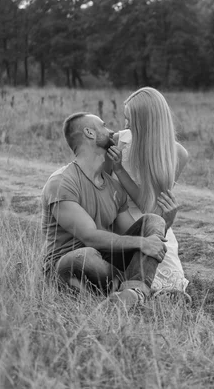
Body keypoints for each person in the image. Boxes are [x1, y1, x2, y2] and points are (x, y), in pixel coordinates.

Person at [41, 112, 177, 307]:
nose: (111, 131)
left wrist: (165, 221)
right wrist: (142, 242)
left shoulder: (114, 187)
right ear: (89, 132)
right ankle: (143, 291)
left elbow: (130, 234)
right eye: (103, 126)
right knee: (82, 256)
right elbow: (89, 237)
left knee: (152, 221)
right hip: (69, 265)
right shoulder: (62, 182)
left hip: (106, 264)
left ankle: (134, 293)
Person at [105, 87, 190, 300]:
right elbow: (101, 192)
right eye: (125, 119)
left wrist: (167, 222)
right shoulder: (118, 141)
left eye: (130, 120)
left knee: (170, 278)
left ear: (146, 121)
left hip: (151, 221)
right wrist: (117, 169)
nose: (125, 125)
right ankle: (135, 292)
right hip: (119, 220)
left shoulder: (176, 154)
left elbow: (150, 209)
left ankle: (146, 294)